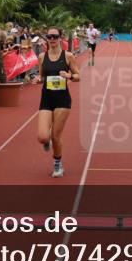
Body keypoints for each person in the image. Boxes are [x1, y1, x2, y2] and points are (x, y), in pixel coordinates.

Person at [32, 26, 80, 178]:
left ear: (60, 37)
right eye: (49, 36)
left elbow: (78, 75)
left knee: (55, 136)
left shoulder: (68, 56)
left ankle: (58, 164)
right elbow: (41, 78)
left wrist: (69, 75)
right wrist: (37, 80)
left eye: (54, 36)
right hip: (46, 98)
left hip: (62, 100)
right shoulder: (41, 57)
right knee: (42, 137)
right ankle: (48, 142)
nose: (52, 39)